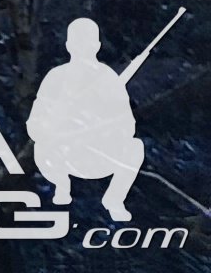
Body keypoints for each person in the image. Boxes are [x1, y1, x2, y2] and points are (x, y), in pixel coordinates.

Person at [29, 15, 154, 222]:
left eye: (87, 42)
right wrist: (56, 132)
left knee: (135, 148)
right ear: (69, 45)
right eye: (78, 42)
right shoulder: (56, 77)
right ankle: (61, 187)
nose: (83, 47)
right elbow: (35, 123)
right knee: (41, 148)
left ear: (97, 45)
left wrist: (104, 127)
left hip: (98, 153)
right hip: (61, 155)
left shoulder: (108, 77)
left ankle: (114, 199)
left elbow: (128, 125)